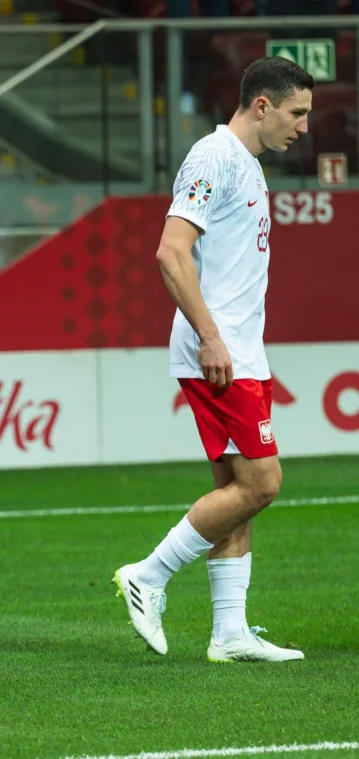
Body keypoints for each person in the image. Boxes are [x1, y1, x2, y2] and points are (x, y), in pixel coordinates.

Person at [114, 57, 312, 664]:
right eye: (297, 112)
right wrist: (211, 337)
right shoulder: (213, 157)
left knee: (235, 488)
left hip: (238, 348)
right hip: (219, 352)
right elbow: (171, 253)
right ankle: (149, 574)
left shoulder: (248, 166)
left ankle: (229, 631)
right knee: (264, 481)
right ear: (262, 106)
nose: (303, 127)